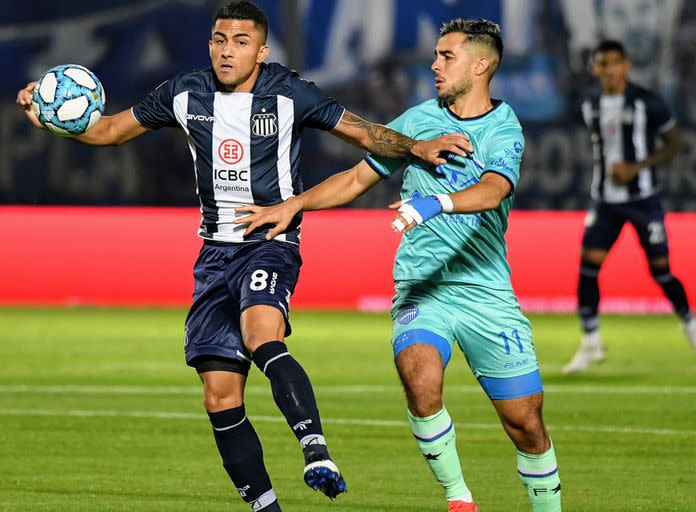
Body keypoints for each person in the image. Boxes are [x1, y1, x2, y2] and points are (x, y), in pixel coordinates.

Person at [16, 2, 469, 510]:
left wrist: (418, 147)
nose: (226, 51)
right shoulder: (184, 92)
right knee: (219, 396)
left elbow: (364, 133)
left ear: (262, 50)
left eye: (239, 42)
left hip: (270, 242)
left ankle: (315, 449)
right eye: (218, 39)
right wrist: (53, 120)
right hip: (213, 254)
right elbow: (108, 130)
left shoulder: (289, 92)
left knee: (260, 335)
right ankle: (266, 507)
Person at [236, 18, 562, 512]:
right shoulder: (416, 122)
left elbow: (494, 189)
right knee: (420, 381)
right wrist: (294, 205)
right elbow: (354, 179)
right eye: (435, 54)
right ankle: (459, 499)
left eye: (446, 56)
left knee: (526, 423)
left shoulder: (503, 126)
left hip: (486, 293)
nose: (434, 63)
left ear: (480, 65)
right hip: (422, 289)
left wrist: (435, 204)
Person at [562, 40, 695, 374]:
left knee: (661, 270)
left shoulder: (646, 102)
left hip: (643, 199)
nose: (608, 69)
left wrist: (637, 167)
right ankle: (591, 343)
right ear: (595, 68)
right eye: (601, 64)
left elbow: (675, 143)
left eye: (613, 63)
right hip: (605, 200)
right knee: (587, 268)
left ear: (626, 65)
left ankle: (691, 327)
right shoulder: (589, 103)